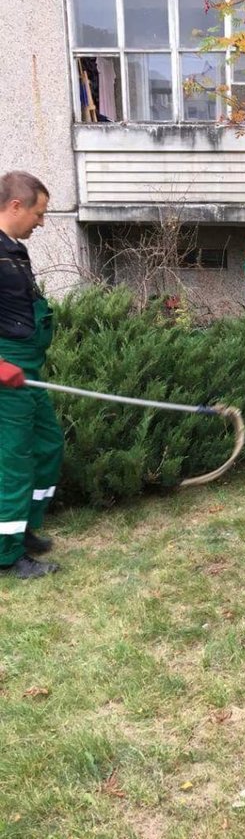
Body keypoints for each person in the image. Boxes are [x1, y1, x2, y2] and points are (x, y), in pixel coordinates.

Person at [0, 171, 63, 579]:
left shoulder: (12, 250)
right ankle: (6, 554)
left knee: (47, 444)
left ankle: (24, 529)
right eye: (38, 214)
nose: (41, 223)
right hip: (5, 372)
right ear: (16, 205)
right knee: (13, 461)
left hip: (26, 369)